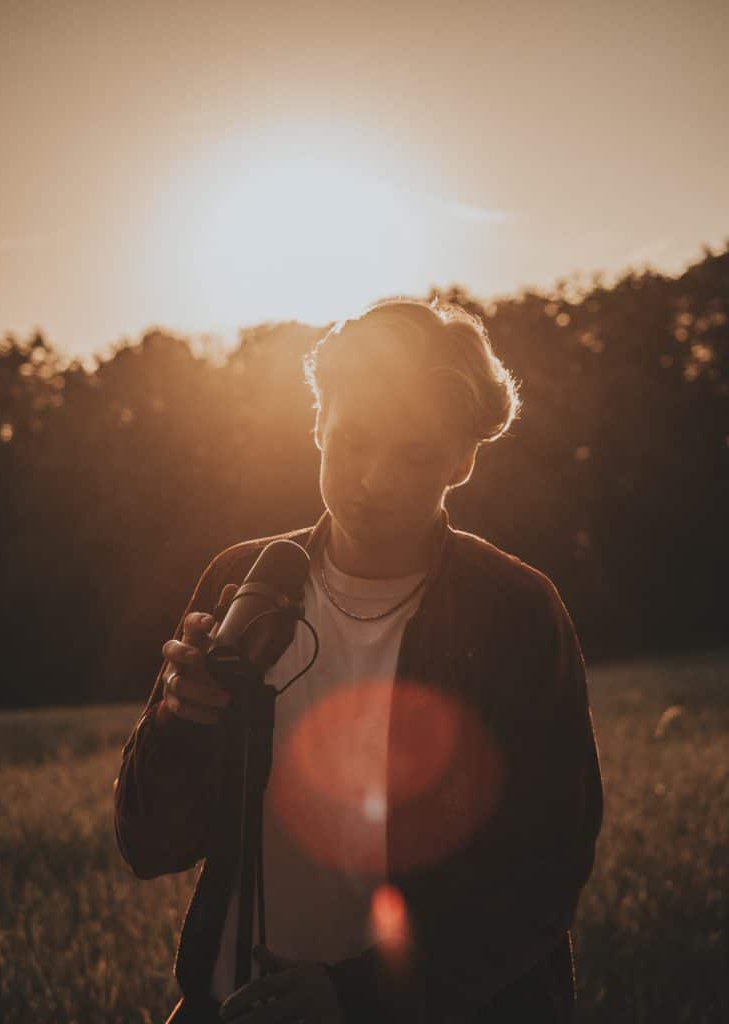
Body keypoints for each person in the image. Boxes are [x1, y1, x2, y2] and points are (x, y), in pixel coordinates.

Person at [113, 297, 604, 1024]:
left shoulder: (516, 611)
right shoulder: (245, 578)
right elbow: (151, 845)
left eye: (415, 454)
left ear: (463, 460)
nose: (374, 480)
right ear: (316, 426)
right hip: (232, 1005)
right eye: (351, 442)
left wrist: (355, 998)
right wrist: (181, 725)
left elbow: (544, 874)